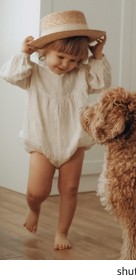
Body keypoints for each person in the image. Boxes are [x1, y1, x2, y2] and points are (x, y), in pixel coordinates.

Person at [0, 10, 111, 250]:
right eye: (60, 57)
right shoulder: (34, 73)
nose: (66, 64)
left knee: (69, 189)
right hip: (42, 140)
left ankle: (62, 231)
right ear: (44, 50)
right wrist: (24, 53)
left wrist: (97, 56)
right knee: (36, 191)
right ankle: (33, 208)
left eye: (73, 60)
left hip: (74, 140)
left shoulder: (81, 75)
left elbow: (101, 84)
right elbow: (8, 75)